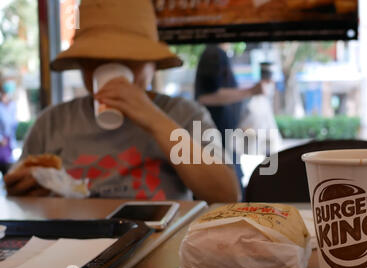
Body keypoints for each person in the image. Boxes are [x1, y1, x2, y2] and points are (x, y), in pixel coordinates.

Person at [4, 0, 240, 203]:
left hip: (158, 245)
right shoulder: (53, 122)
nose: (111, 70)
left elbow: (226, 195)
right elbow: (17, 198)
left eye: (130, 59)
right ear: (81, 65)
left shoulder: (184, 114)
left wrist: (155, 120)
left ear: (153, 64)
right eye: (94, 59)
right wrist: (24, 188)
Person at [194, 44, 266, 193]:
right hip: (216, 144)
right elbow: (206, 97)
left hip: (223, 143)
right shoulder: (214, 53)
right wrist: (251, 91)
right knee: (232, 194)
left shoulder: (219, 54)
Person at [0, 76, 18, 176]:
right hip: (1, 143)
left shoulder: (12, 105)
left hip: (9, 144)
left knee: (9, 171)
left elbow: (12, 125)